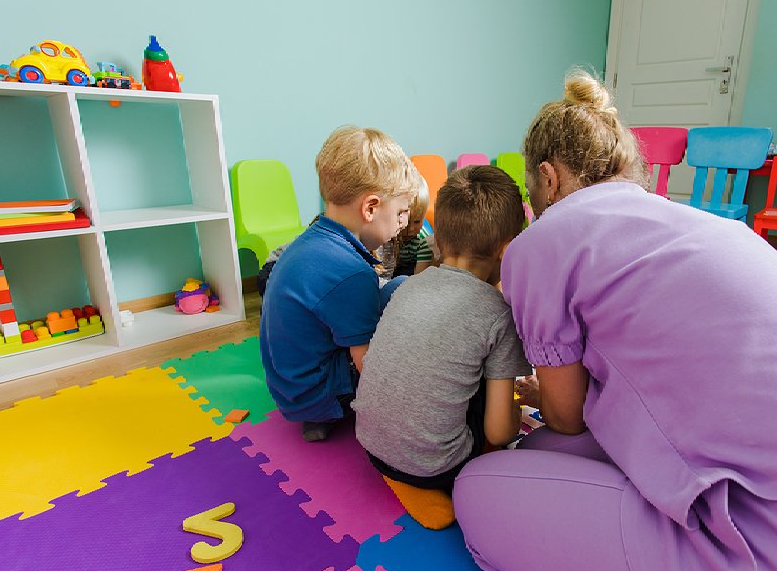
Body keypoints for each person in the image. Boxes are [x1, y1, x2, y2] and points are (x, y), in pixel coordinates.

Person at [453, 70, 777, 571]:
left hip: (754, 536)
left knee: (477, 483)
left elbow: (566, 417)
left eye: (531, 192)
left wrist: (552, 395)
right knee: (542, 447)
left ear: (548, 177)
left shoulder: (541, 244)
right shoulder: (696, 222)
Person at [352, 165, 532, 530]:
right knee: (497, 397)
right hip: (436, 465)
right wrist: (518, 404)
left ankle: (404, 472)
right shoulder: (499, 315)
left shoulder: (405, 286)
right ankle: (434, 479)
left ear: (438, 240)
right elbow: (499, 432)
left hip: (370, 443)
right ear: (508, 249)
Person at [259, 125, 422, 442]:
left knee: (390, 289)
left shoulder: (307, 242)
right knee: (402, 287)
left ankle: (317, 411)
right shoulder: (351, 273)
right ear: (371, 208)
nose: (403, 224)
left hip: (288, 389)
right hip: (317, 395)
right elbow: (370, 368)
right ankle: (327, 410)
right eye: (401, 212)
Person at [394, 177, 437, 276]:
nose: (411, 229)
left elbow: (420, 276)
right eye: (407, 222)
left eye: (417, 221)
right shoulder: (391, 234)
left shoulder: (423, 240)